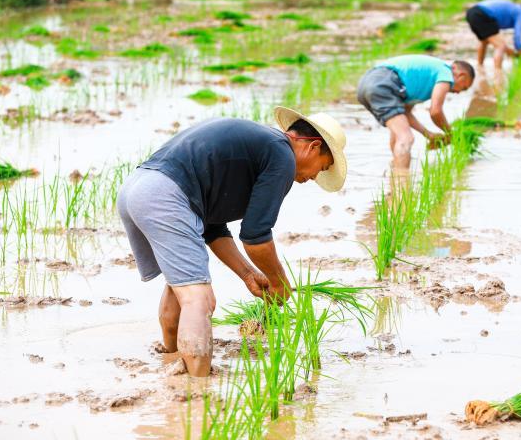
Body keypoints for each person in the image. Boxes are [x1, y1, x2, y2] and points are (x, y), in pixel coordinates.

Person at [116, 107, 347, 377]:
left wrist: (248, 274)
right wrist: (279, 282)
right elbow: (256, 237)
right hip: (165, 195)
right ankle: (196, 391)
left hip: (138, 187)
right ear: (313, 146)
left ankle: (172, 362)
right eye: (324, 167)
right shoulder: (282, 154)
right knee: (198, 300)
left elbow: (213, 228)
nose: (315, 177)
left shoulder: (261, 147)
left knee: (180, 287)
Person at [357, 54, 475, 171]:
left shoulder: (425, 78)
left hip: (367, 83)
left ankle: (395, 176)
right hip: (384, 82)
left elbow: (405, 113)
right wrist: (451, 134)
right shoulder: (446, 73)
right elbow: (435, 111)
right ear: (461, 76)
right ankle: (402, 182)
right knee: (406, 138)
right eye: (464, 88)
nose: (459, 92)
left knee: (398, 134)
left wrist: (428, 134)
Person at [466, 0, 521, 69]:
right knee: (500, 46)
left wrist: (510, 52)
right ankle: (498, 73)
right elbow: (517, 37)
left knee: (484, 41)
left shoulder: (513, 8)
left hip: (471, 13)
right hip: (483, 15)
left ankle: (480, 68)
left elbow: (493, 34)